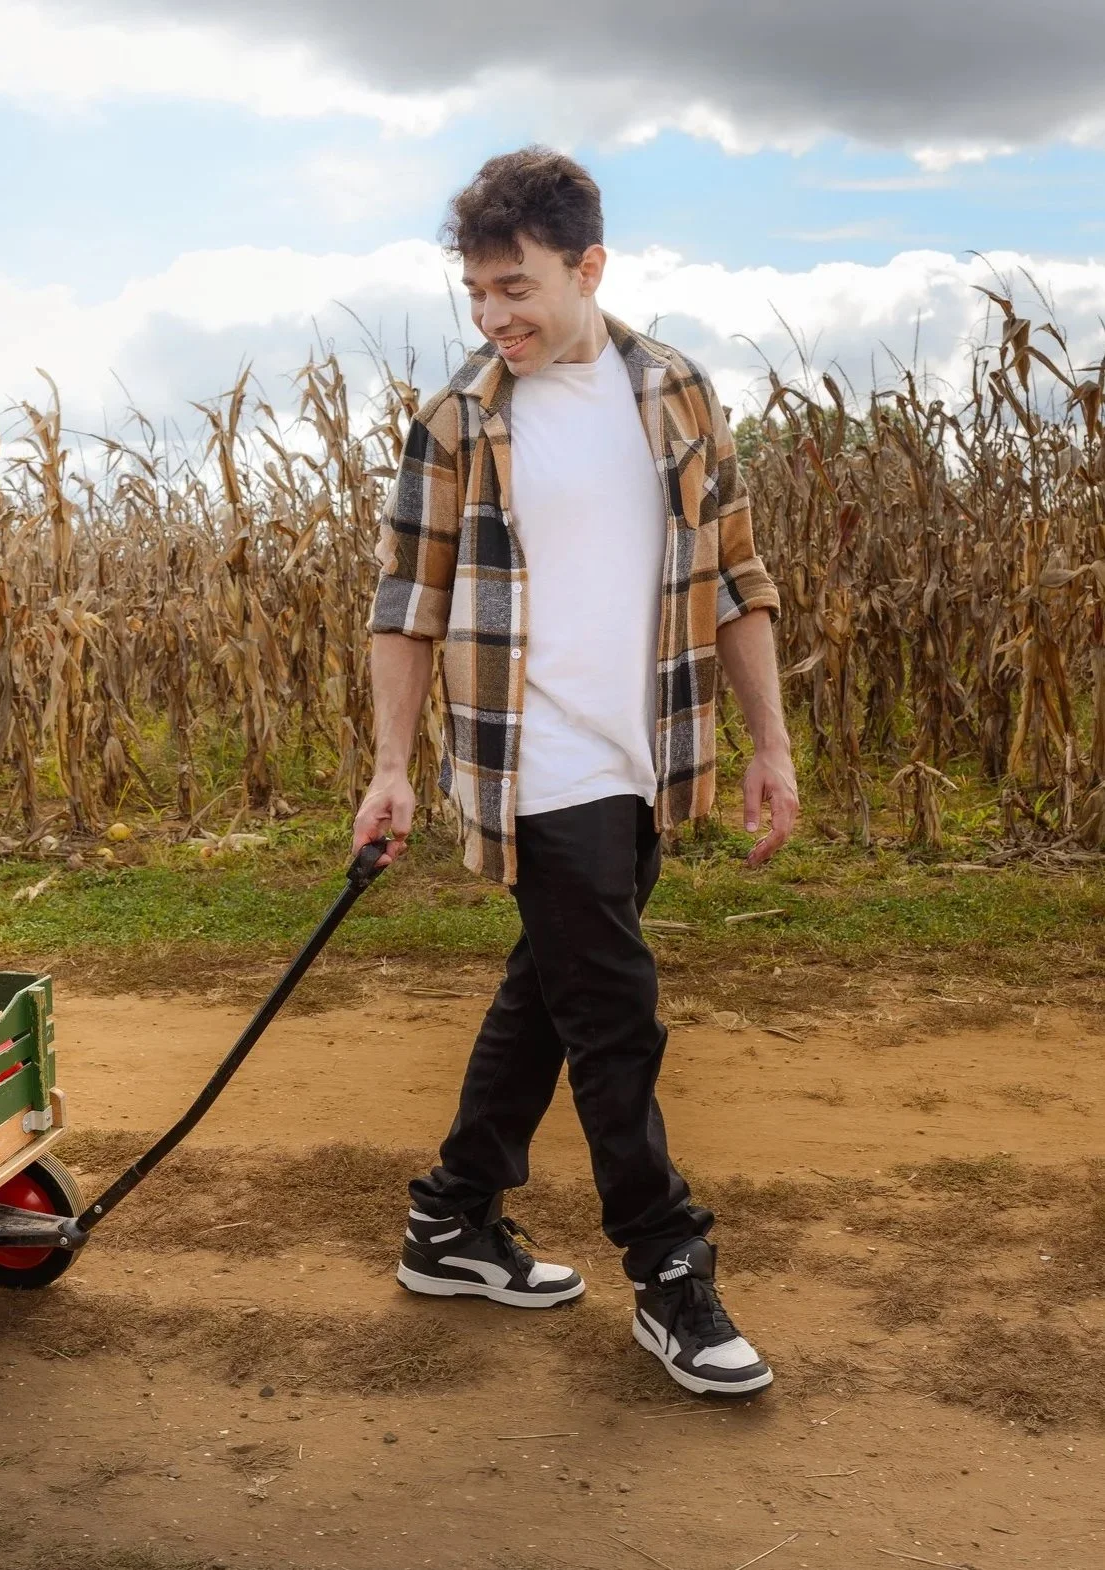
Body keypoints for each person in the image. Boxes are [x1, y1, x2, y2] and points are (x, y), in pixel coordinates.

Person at [353, 147, 797, 1398]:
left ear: (587, 266)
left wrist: (771, 745)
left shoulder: (678, 394)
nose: (494, 317)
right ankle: (670, 1274)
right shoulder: (460, 420)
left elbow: (739, 583)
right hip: (532, 766)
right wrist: (391, 766)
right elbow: (407, 603)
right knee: (615, 1020)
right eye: (476, 293)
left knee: (549, 992)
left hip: (645, 759)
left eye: (516, 287)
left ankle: (452, 1218)